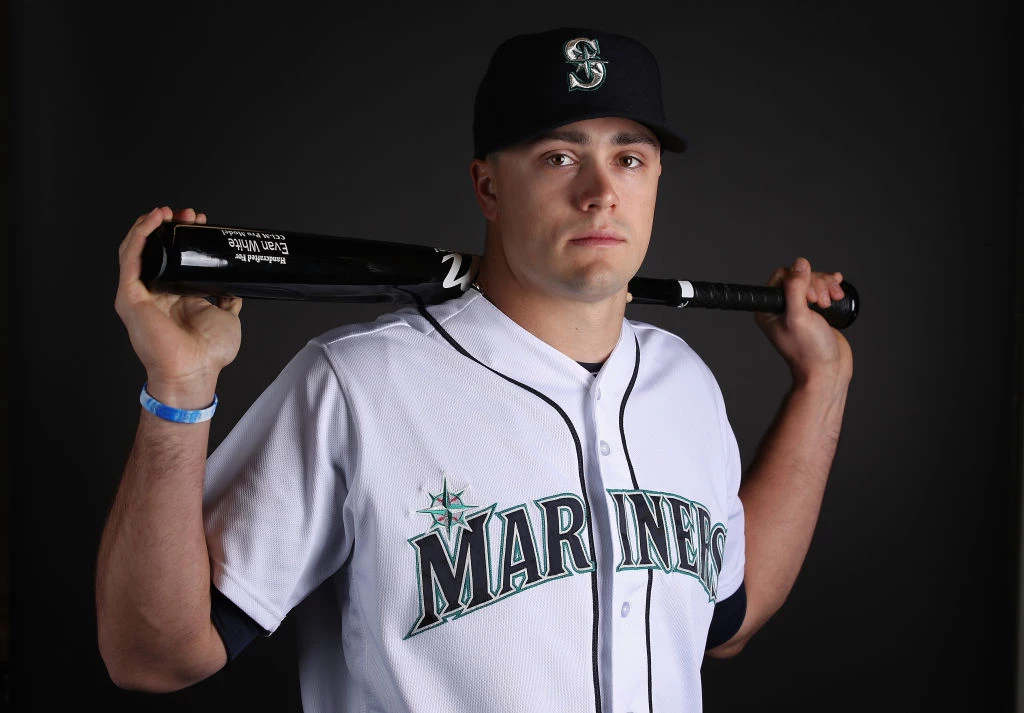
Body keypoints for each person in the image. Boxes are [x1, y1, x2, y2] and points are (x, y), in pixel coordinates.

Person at [96, 27, 852, 713]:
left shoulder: (684, 382)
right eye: (560, 156)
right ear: (488, 186)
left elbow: (728, 616)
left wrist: (823, 383)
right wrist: (180, 390)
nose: (600, 191)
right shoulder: (355, 385)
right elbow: (151, 656)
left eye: (629, 157)